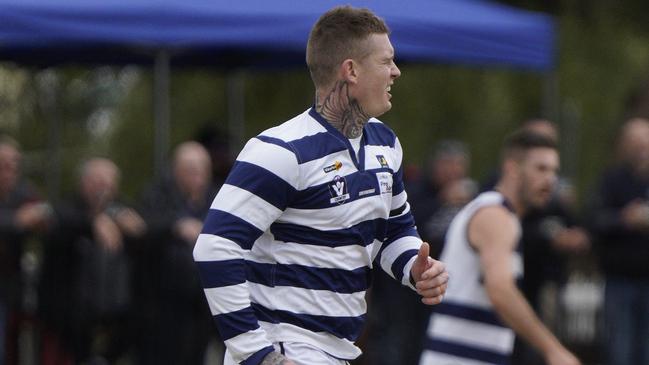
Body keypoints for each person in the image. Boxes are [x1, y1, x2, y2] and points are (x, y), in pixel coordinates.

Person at [192, 6, 449, 365]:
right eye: (386, 61)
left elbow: (392, 231)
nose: (396, 71)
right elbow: (215, 248)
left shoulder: (386, 145)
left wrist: (414, 269)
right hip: (286, 349)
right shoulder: (281, 151)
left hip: (337, 350)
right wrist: (255, 353)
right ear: (351, 71)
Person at [419, 129, 581, 365]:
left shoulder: (497, 213)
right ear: (512, 168)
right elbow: (500, 290)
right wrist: (553, 349)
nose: (551, 179)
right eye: (541, 168)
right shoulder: (496, 215)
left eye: (554, 170)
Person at [38, 157, 146, 364]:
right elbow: (56, 226)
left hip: (115, 317)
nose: (103, 188)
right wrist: (91, 223)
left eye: (109, 182)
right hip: (69, 319)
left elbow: (145, 231)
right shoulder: (67, 209)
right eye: (97, 181)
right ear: (83, 182)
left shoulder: (122, 210)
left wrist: (136, 232)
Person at [135, 141, 218, 365]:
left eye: (203, 169)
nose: (198, 176)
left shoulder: (216, 198)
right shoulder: (156, 195)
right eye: (190, 170)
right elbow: (141, 229)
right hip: (162, 304)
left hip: (203, 303)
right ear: (176, 171)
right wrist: (176, 226)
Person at [588, 117, 649, 365]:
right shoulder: (611, 180)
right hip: (619, 281)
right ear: (624, 145)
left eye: (645, 141)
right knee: (619, 351)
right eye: (635, 142)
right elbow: (593, 220)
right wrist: (625, 219)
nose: (641, 148)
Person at [0, 136, 50, 365]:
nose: (10, 171)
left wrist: (42, 219)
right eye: (4, 165)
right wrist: (17, 221)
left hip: (13, 290)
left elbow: (48, 213)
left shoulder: (23, 192)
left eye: (14, 165)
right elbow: (18, 220)